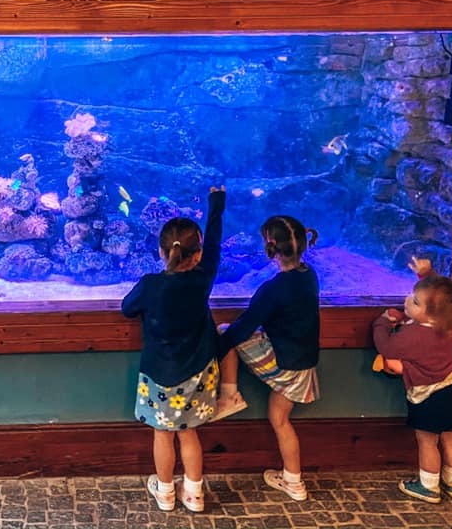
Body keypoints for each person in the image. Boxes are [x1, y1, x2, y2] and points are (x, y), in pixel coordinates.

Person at [121, 186, 226, 513]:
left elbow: (127, 308)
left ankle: (165, 493)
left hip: (159, 376)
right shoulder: (203, 278)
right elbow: (214, 245)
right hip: (197, 373)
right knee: (189, 434)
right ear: (197, 254)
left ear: (161, 251)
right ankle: (194, 496)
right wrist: (216, 204)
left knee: (163, 435)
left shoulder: (151, 285)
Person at [216, 216, 320, 501]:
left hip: (284, 365)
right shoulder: (309, 274)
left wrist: (215, 348)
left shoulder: (272, 290)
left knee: (226, 331)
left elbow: (242, 328)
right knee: (280, 419)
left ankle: (230, 395)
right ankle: (294, 482)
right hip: (304, 366)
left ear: (270, 247)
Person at [372, 257, 452, 504]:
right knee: (451, 439)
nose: (408, 300)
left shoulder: (413, 335)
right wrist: (426, 275)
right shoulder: (444, 327)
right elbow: (442, 297)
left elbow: (386, 346)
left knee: (427, 441)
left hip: (428, 399)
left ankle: (428, 486)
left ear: (430, 314)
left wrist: (383, 322)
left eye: (414, 301)